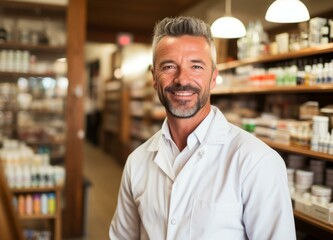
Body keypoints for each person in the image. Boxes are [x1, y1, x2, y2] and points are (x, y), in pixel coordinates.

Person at [109, 16, 296, 240]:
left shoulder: (256, 161)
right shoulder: (137, 162)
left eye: (196, 66)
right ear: (154, 78)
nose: (182, 79)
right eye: (169, 67)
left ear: (214, 77)